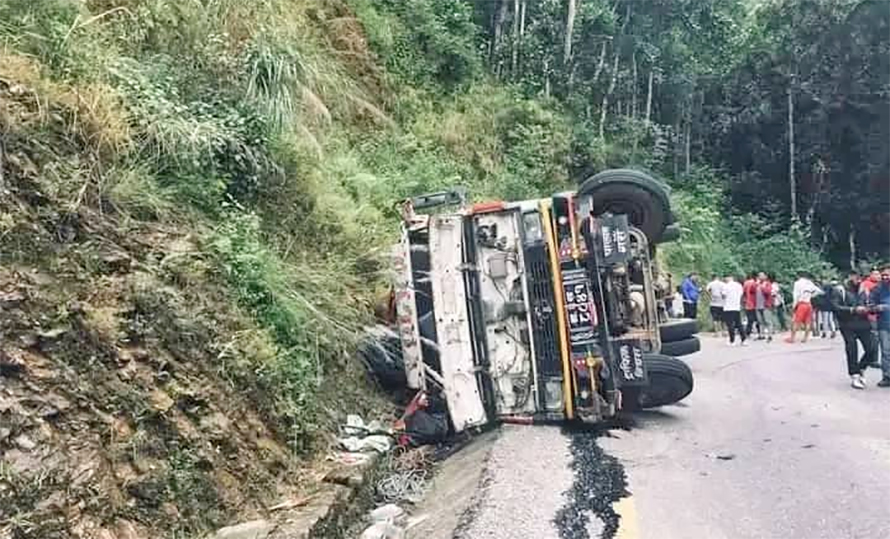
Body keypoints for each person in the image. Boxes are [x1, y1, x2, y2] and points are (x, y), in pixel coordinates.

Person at [829, 271, 878, 389]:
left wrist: (871, 308)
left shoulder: (864, 290)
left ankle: (861, 368)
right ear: (849, 277)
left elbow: (870, 303)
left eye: (859, 277)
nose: (857, 279)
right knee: (852, 349)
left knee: (872, 348)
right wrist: (853, 309)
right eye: (854, 276)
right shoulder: (839, 290)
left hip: (863, 323)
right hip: (847, 324)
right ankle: (854, 375)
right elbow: (835, 307)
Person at [869, 266, 890, 387]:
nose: (886, 277)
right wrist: (877, 308)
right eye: (884, 275)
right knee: (886, 351)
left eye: (888, 275)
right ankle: (887, 376)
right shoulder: (877, 289)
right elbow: (870, 305)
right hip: (883, 325)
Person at [787, 272, 820, 343]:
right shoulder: (810, 283)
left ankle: (792, 338)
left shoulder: (797, 283)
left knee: (796, 321)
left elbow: (795, 295)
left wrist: (794, 305)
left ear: (799, 276)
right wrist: (811, 295)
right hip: (808, 304)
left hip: (801, 304)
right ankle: (805, 338)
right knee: (807, 322)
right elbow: (818, 291)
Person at [722, 273, 747, 346]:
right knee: (739, 324)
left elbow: (723, 295)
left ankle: (732, 341)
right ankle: (743, 340)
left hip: (728, 307)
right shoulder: (739, 285)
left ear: (728, 278)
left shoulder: (725, 286)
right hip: (736, 307)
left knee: (730, 325)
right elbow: (741, 294)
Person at [755, 272, 774, 341]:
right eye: (759, 276)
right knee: (760, 321)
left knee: (767, 320)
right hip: (758, 305)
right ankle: (761, 334)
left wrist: (762, 287)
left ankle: (770, 335)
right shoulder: (757, 284)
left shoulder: (767, 284)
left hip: (765, 305)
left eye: (762, 275)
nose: (760, 277)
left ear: (765, 276)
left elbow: (768, 292)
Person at [743, 273, 760, 339]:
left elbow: (744, 293)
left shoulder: (745, 283)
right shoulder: (754, 284)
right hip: (754, 303)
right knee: (757, 319)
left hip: (748, 303)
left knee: (750, 319)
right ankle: (759, 332)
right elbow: (755, 291)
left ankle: (747, 332)